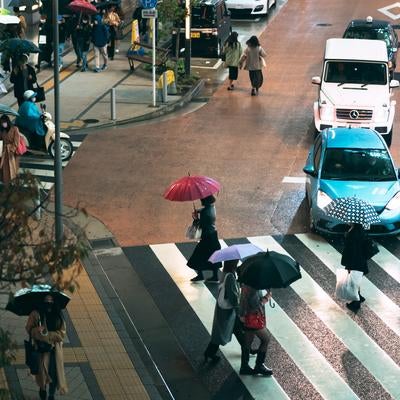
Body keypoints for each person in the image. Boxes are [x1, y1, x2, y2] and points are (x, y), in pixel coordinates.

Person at [25, 294, 68, 400]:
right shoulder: (36, 314)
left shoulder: (58, 315)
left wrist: (47, 335)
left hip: (54, 350)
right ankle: (43, 390)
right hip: (41, 351)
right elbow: (29, 329)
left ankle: (51, 395)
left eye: (51, 300)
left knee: (54, 374)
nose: (49, 302)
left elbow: (61, 334)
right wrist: (36, 330)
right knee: (42, 375)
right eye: (46, 300)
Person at [204, 259, 245, 362]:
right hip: (227, 310)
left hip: (225, 309)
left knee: (237, 329)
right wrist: (238, 310)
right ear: (233, 264)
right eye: (236, 263)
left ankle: (247, 347)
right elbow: (232, 295)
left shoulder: (226, 273)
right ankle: (209, 352)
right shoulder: (230, 276)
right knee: (220, 333)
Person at [239, 285, 273, 376]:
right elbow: (255, 306)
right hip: (253, 319)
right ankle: (259, 365)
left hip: (245, 317)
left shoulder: (246, 283)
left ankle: (244, 366)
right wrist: (267, 297)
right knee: (266, 339)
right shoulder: (253, 287)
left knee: (247, 342)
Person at [187, 195, 222, 282]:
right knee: (213, 256)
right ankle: (215, 276)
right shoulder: (212, 207)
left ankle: (200, 275)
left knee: (198, 255)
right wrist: (199, 211)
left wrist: (195, 218)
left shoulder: (205, 212)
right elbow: (205, 212)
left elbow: (202, 225)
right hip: (213, 235)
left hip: (207, 237)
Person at [341, 223, 370, 312]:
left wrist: (350, 266)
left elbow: (352, 250)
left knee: (353, 281)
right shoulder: (359, 230)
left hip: (354, 262)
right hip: (360, 261)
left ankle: (355, 303)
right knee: (356, 280)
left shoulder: (354, 233)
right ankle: (359, 296)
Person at [0, 114, 20, 185]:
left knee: (13, 168)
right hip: (4, 151)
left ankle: (14, 182)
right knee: (5, 169)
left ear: (7, 121)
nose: (3, 124)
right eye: (1, 122)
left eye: (4, 122)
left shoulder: (15, 129)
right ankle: (6, 183)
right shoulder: (2, 131)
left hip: (12, 153)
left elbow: (16, 141)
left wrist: (12, 150)